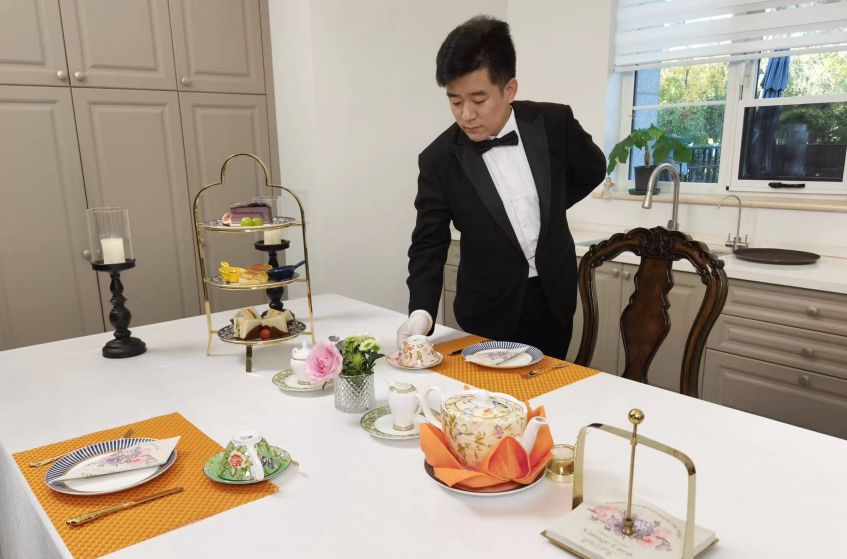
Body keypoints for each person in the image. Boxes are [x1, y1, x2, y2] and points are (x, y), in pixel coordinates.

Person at [398, 15, 606, 360]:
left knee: (549, 387)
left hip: (554, 298)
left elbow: (593, 169)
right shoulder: (438, 159)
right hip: (486, 310)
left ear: (509, 89)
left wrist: (549, 208)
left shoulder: (555, 123)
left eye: (478, 100)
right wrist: (421, 313)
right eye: (455, 101)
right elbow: (428, 244)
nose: (466, 115)